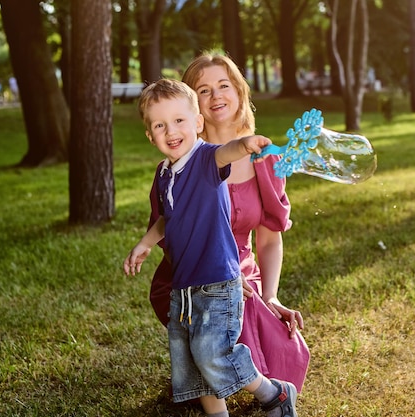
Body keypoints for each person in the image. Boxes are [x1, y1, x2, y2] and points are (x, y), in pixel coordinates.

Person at [123, 78, 298, 417]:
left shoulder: (205, 160)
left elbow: (225, 153)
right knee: (191, 362)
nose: (171, 131)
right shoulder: (165, 173)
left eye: (179, 121)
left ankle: (274, 393)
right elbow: (167, 219)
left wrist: (245, 143)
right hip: (183, 288)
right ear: (150, 136)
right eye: (160, 125)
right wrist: (145, 243)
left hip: (217, 283)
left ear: (198, 123)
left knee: (213, 354)